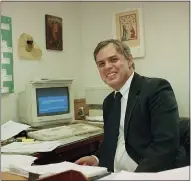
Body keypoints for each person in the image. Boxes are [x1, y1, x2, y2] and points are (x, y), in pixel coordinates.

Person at [75, 39, 182, 173]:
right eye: (101, 64)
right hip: (113, 175)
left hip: (145, 175)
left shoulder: (156, 89)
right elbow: (113, 140)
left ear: (129, 60)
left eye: (113, 59)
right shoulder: (109, 101)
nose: (107, 66)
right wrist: (96, 158)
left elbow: (165, 146)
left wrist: (136, 178)